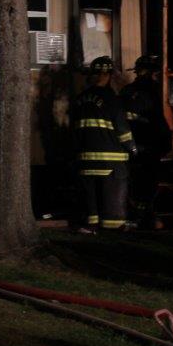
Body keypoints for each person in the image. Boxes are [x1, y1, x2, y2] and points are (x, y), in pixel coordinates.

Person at [72, 56, 136, 232]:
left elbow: (75, 130)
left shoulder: (80, 99)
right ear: (108, 75)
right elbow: (122, 129)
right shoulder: (112, 99)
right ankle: (112, 225)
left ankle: (90, 224)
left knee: (90, 196)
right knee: (112, 196)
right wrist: (132, 147)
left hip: (85, 160)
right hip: (111, 161)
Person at [120, 54, 173, 226]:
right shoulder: (151, 92)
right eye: (156, 73)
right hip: (148, 145)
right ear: (150, 73)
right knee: (148, 182)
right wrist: (166, 142)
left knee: (132, 181)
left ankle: (132, 213)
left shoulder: (125, 91)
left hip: (128, 144)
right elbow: (157, 120)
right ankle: (145, 216)